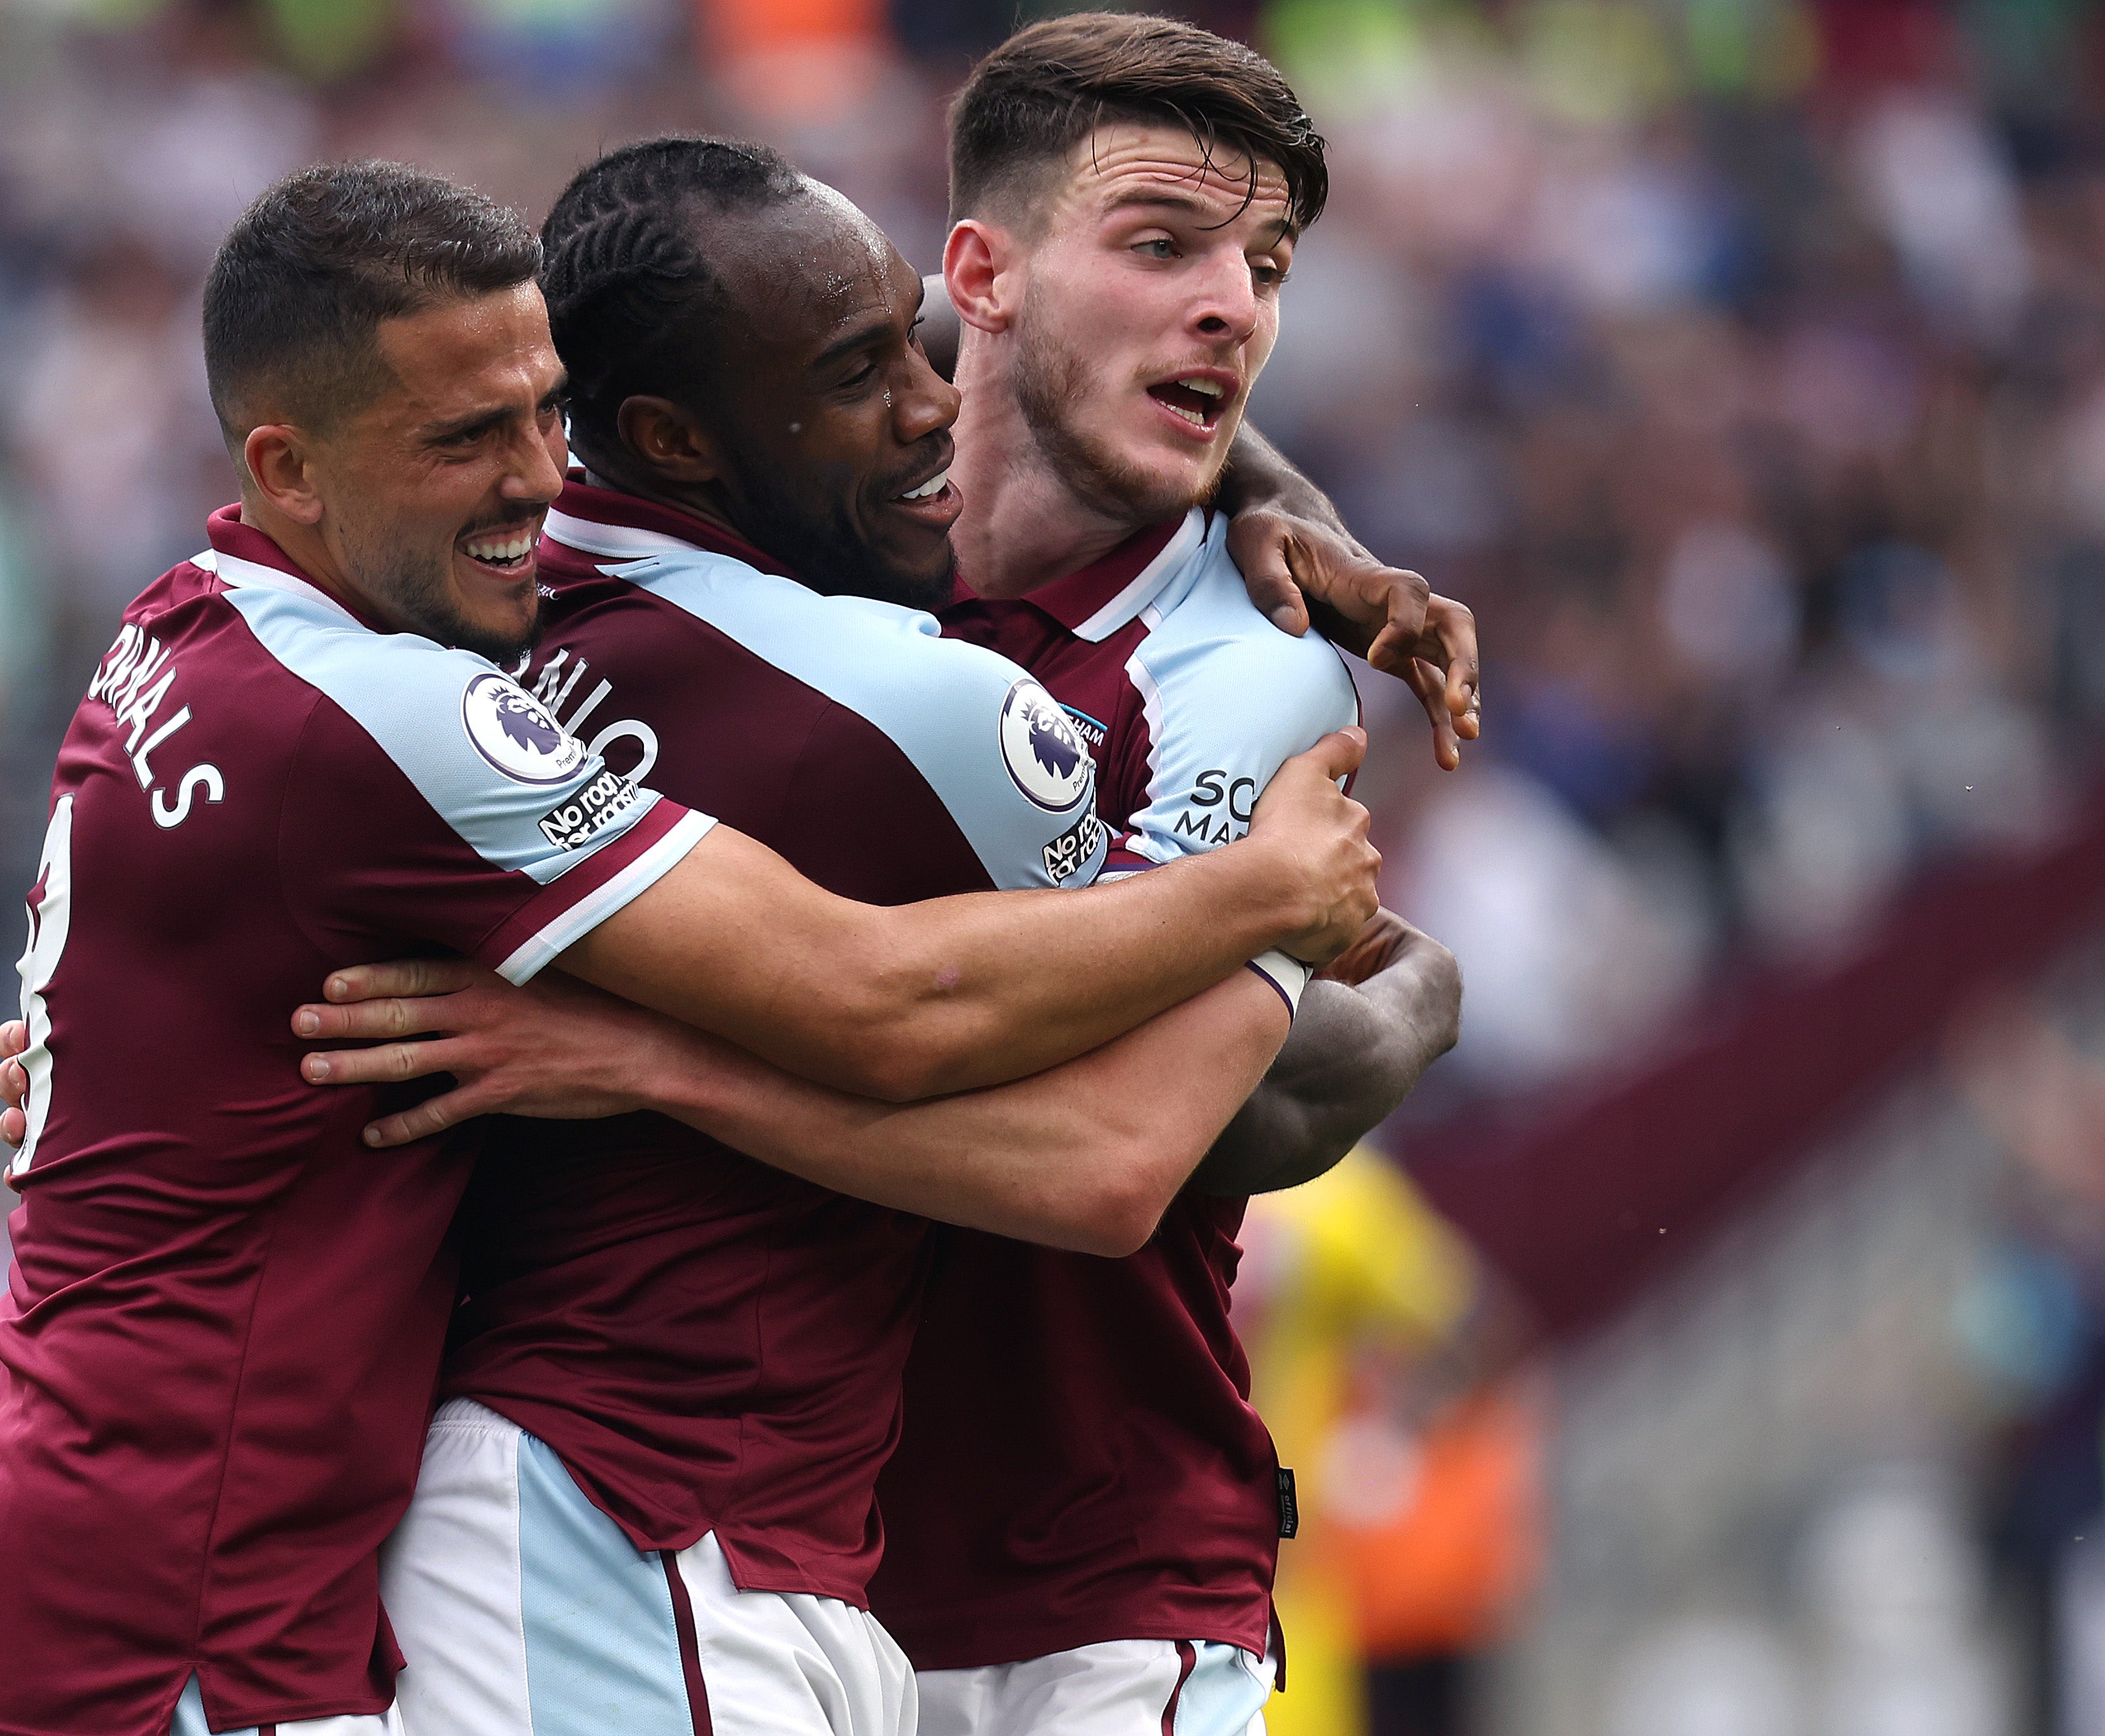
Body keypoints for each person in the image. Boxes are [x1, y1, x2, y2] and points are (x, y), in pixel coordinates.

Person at [0, 157, 1384, 1736]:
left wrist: (1259, 486)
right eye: (465, 438)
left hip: (164, 1555)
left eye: (546, 412)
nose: (537, 480)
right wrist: (1264, 889)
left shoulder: (194, 621)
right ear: (290, 466)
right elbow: (881, 1002)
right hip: (206, 1606)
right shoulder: (403, 716)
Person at [282, 20, 1467, 1736]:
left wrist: (647, 1059)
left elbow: (1121, 1153)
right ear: (973, 281)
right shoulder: (788, 519)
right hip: (749, 1559)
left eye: (1264, 268)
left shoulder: (1247, 662)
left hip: (1081, 1601)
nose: (1230, 307)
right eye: (1159, 246)